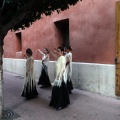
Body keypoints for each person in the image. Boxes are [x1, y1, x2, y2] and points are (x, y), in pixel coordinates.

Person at [49, 47, 70, 111]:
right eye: (57, 51)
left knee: (59, 91)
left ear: (62, 52)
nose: (57, 52)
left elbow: (63, 67)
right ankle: (56, 103)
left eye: (58, 51)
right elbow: (54, 56)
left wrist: (60, 76)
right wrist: (50, 52)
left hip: (61, 77)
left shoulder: (63, 58)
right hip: (57, 77)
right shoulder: (58, 58)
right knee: (56, 90)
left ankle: (60, 105)